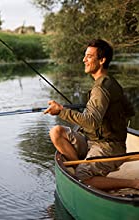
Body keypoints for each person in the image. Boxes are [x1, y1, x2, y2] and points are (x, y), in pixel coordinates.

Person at [44, 39, 139, 190]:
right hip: (92, 140)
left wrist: (61, 111)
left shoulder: (101, 88)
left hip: (108, 147)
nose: (84, 60)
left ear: (101, 60)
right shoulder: (111, 82)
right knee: (56, 132)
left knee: (82, 178)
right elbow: (129, 111)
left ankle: (133, 183)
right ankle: (82, 165)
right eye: (85, 56)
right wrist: (106, 112)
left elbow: (91, 122)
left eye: (89, 56)